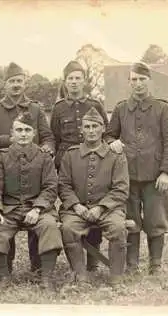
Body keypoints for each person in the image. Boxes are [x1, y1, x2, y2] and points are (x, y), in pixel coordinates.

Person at [0, 62, 55, 274]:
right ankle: (6, 269)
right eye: (12, 81)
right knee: (5, 218)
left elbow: (47, 136)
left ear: (25, 83)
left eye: (19, 81)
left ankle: (38, 267)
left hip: (34, 164)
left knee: (39, 219)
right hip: (5, 166)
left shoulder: (36, 109)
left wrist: (46, 148)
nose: (16, 85)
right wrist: (8, 141)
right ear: (5, 84)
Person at [106, 62, 168, 275]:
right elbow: (109, 134)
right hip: (126, 176)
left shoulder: (162, 108)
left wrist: (166, 172)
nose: (138, 84)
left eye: (142, 79)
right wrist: (112, 141)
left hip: (155, 176)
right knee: (130, 220)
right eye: (134, 79)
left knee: (156, 219)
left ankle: (155, 265)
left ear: (150, 81)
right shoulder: (121, 109)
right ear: (129, 82)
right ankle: (131, 265)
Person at [0, 112, 62, 290]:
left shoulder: (44, 157)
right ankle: (4, 276)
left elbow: (50, 187)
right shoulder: (1, 157)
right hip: (9, 209)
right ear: (12, 133)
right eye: (19, 130)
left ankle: (46, 277)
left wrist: (37, 209)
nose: (23, 134)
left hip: (38, 209)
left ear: (34, 133)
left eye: (27, 130)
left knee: (49, 226)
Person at [58, 107, 129, 286]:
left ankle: (116, 276)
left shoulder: (116, 155)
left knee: (118, 228)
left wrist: (101, 207)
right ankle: (80, 274)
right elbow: (63, 185)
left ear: (103, 128)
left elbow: (121, 188)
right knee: (68, 228)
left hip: (108, 209)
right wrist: (76, 206)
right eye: (87, 127)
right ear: (81, 130)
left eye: (95, 126)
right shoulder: (70, 154)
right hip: (77, 209)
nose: (91, 131)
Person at [50, 60, 110, 272]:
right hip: (67, 165)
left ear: (84, 81)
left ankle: (93, 260)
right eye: (70, 79)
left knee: (93, 203)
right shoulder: (58, 108)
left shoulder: (95, 105)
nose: (74, 82)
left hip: (94, 161)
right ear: (65, 82)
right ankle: (75, 261)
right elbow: (54, 137)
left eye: (78, 78)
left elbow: (107, 132)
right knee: (72, 209)